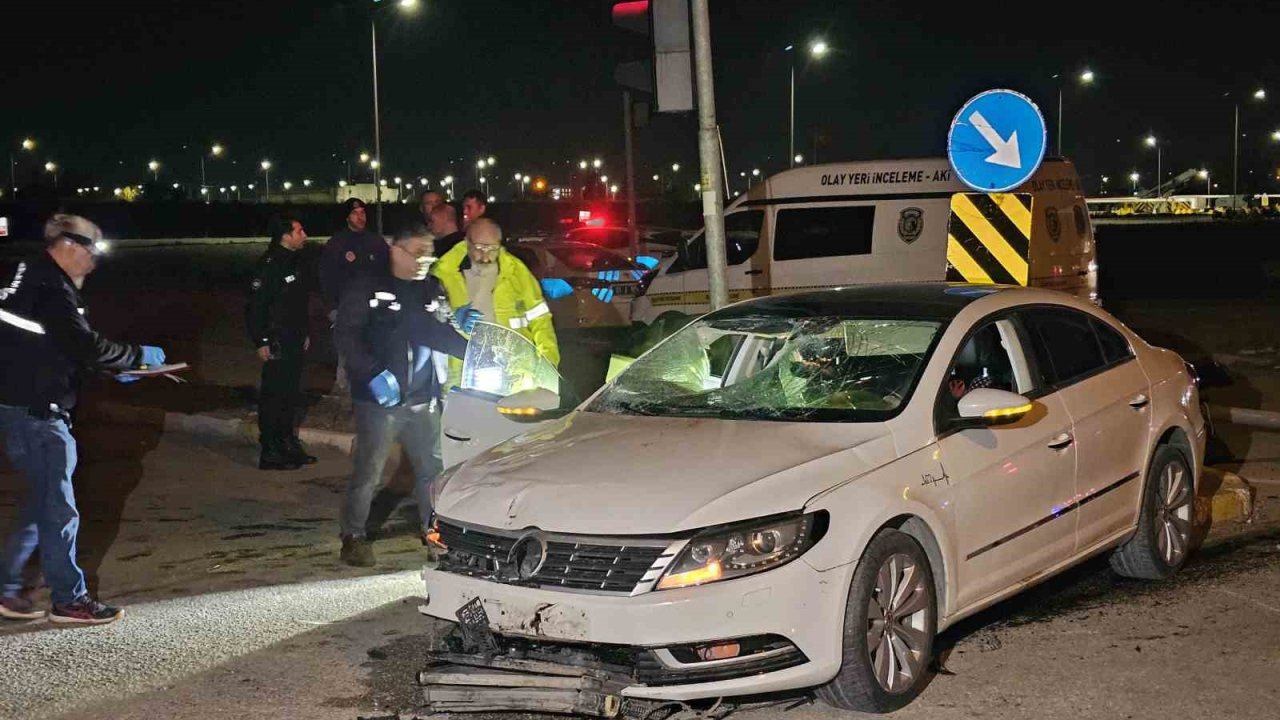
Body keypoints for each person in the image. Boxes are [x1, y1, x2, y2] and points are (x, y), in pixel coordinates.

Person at [0, 214, 167, 625]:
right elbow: (81, 343)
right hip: (39, 414)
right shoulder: (51, 288)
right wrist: (136, 357)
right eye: (93, 249)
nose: (95, 260)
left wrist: (110, 367)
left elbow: (51, 348)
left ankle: (7, 589)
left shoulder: (27, 277)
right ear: (69, 246)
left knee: (43, 502)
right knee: (58, 510)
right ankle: (68, 600)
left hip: (21, 406)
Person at [334, 229, 472, 567]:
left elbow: (438, 331)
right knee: (370, 470)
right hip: (380, 401)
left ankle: (434, 535)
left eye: (429, 253)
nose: (425, 259)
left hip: (423, 398)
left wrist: (474, 351)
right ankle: (353, 535)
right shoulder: (367, 284)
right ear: (394, 249)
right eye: (417, 252)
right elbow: (347, 335)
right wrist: (371, 374)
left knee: (431, 470)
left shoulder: (429, 287)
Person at [432, 218, 559, 387]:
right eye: (479, 248)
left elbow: (541, 320)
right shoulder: (443, 274)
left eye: (492, 249)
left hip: (514, 372)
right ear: (466, 242)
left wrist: (547, 363)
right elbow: (429, 322)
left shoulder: (517, 273)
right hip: (463, 372)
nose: (485, 255)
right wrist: (452, 318)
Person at [246, 216, 316, 470]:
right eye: (299, 231)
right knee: (274, 395)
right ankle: (270, 449)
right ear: (286, 236)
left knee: (290, 394)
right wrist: (261, 340)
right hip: (276, 339)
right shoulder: (270, 264)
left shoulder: (295, 261)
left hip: (293, 337)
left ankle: (287, 444)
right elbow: (256, 307)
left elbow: (297, 304)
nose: (304, 235)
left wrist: (304, 332)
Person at [319, 198, 389, 393]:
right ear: (347, 217)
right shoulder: (337, 243)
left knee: (373, 351)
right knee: (348, 353)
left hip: (374, 311)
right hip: (346, 311)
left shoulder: (375, 241)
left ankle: (371, 389)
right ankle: (343, 392)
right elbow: (326, 277)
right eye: (355, 213)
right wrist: (331, 307)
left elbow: (386, 273)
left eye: (363, 213)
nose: (360, 217)